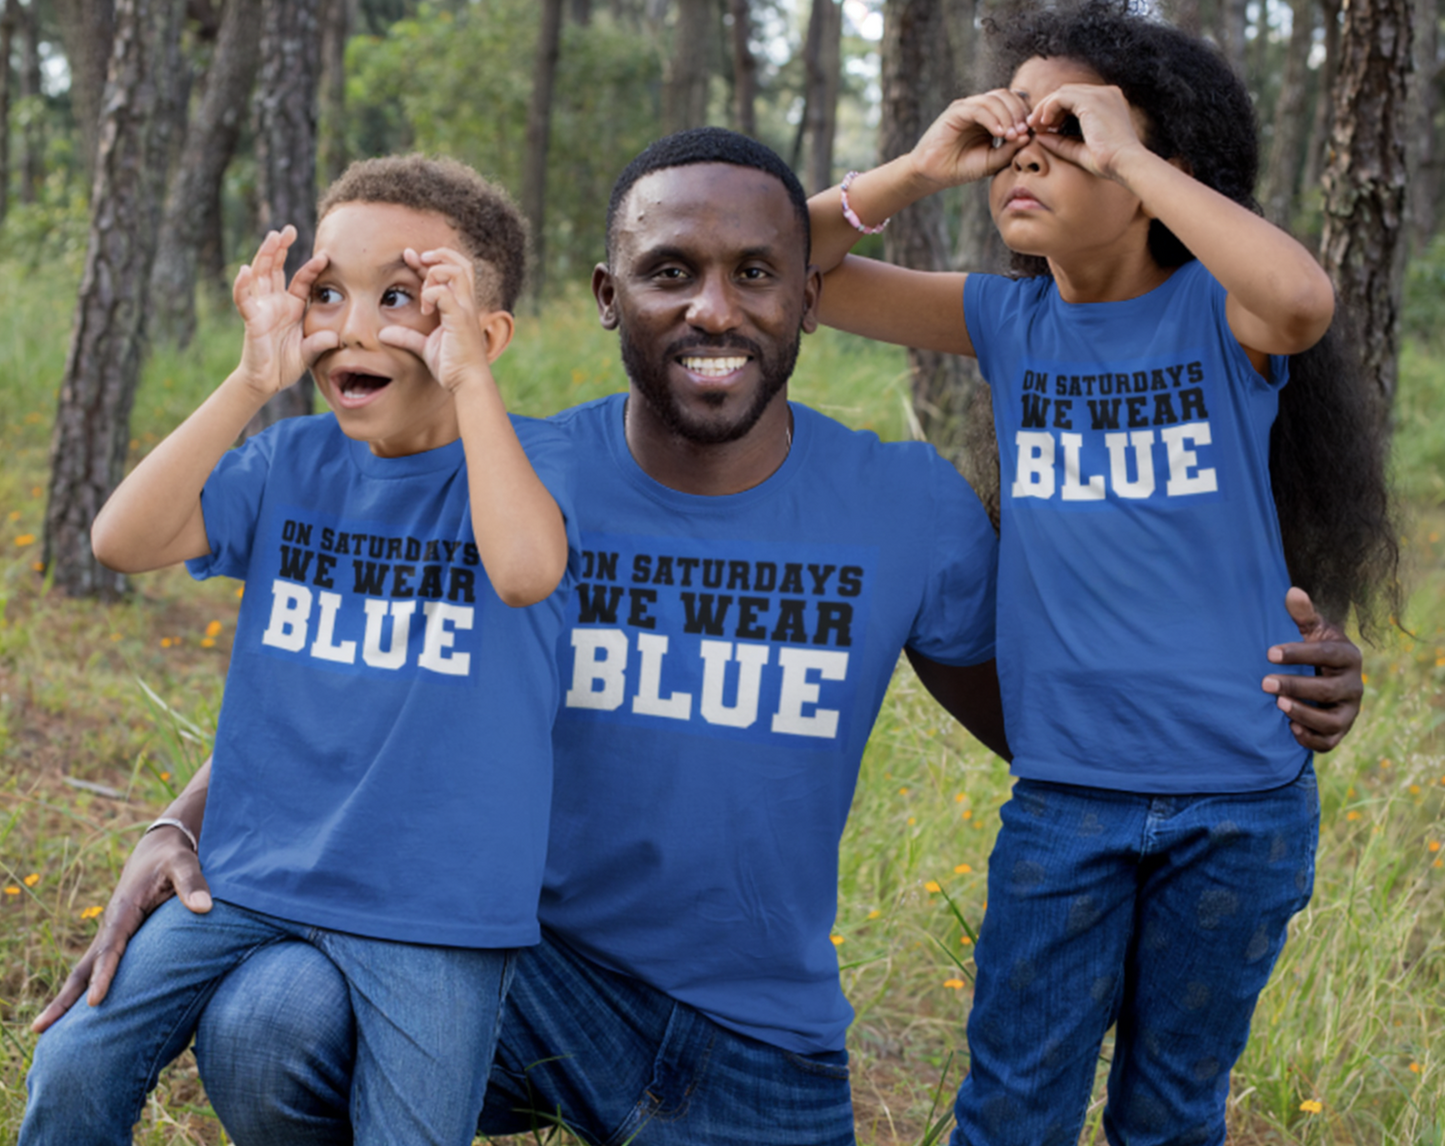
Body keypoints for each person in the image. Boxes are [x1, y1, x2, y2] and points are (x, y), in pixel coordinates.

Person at [32, 129, 1365, 1146]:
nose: (714, 310)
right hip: (517, 975)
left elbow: (1049, 717)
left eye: (755, 274)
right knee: (271, 1022)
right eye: (670, 273)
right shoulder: (513, 476)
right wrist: (184, 820)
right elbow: (358, 663)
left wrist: (1269, 689)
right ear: (611, 295)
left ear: (807, 296)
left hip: (752, 1035)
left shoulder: (905, 508)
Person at [805, 3, 1398, 1144]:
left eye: (1061, 135)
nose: (1024, 153)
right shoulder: (1007, 320)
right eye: (1012, 139)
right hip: (1066, 800)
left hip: (1238, 807)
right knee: (1012, 1105)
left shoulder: (1216, 319)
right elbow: (798, 274)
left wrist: (1120, 148)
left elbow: (1302, 300)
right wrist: (923, 166)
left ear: (1154, 167)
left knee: (1171, 1110)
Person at [20, 155, 577, 1145]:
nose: (352, 328)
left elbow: (527, 571)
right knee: (72, 1063)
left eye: (401, 298)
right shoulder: (292, 463)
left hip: (435, 917)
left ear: (482, 333)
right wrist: (249, 381)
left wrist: (469, 382)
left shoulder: (528, 475)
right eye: (328, 292)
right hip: (250, 873)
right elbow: (121, 541)